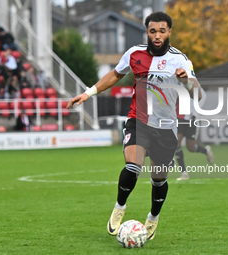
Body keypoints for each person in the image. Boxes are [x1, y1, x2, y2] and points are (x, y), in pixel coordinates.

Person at [67, 12, 202, 240]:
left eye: (162, 31)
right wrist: (88, 93)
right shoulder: (134, 54)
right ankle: (120, 206)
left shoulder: (180, 60)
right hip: (138, 120)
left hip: (166, 127)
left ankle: (153, 217)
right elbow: (115, 74)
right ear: (147, 32)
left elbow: (198, 94)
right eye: (152, 31)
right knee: (133, 166)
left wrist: (186, 81)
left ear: (169, 32)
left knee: (159, 178)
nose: (157, 35)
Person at [175, 93, 214, 180]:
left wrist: (195, 112)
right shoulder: (173, 82)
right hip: (178, 118)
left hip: (191, 119)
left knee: (191, 147)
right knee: (176, 143)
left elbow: (203, 95)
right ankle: (184, 173)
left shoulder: (192, 80)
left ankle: (206, 151)